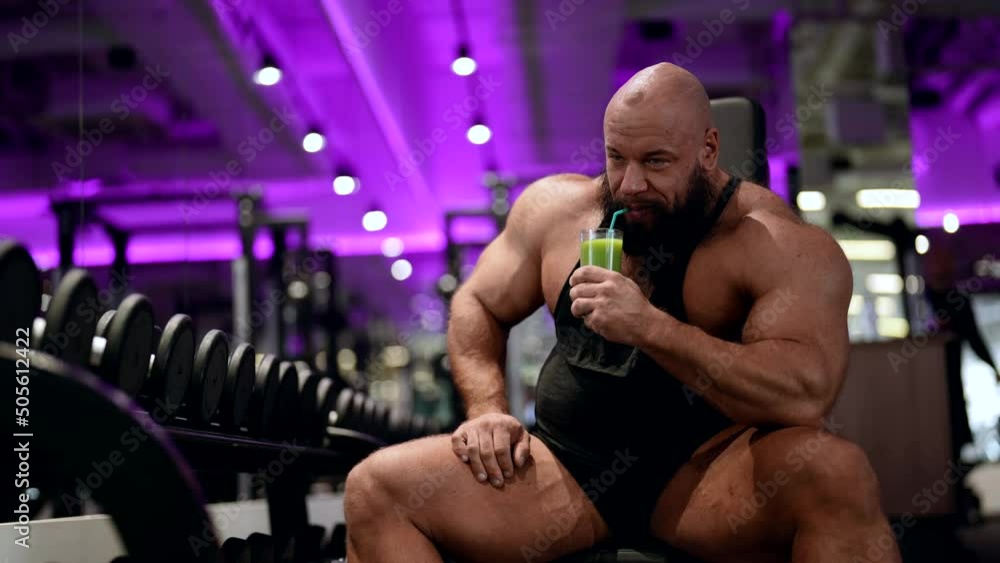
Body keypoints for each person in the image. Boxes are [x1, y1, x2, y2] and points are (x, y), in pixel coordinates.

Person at [343, 63, 901, 563]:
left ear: (708, 150)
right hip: (563, 468)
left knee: (837, 473)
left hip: (703, 476)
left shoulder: (772, 243)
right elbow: (479, 302)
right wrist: (488, 408)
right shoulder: (557, 211)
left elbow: (804, 394)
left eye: (656, 162)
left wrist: (651, 327)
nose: (631, 184)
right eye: (617, 157)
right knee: (374, 488)